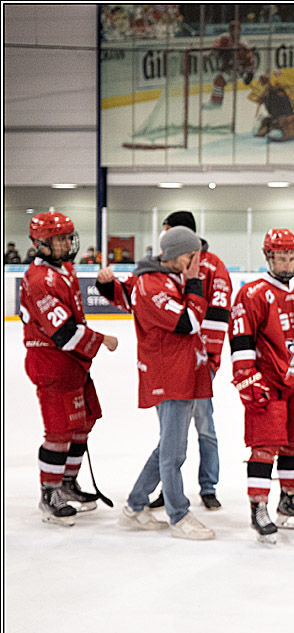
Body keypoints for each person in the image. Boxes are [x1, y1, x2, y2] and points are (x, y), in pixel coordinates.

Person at [97, 210, 232, 511]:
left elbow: (219, 316)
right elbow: (136, 297)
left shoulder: (210, 266)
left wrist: (209, 359)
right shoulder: (164, 265)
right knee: (173, 441)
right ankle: (165, 500)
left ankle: (207, 486)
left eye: (168, 229)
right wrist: (108, 287)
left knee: (204, 429)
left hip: (199, 363)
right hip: (175, 366)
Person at [229, 228, 294, 544]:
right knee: (265, 444)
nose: (287, 263)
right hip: (268, 382)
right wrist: (246, 377)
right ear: (268, 257)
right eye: (281, 256)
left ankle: (288, 501)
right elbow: (241, 339)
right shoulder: (252, 294)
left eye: (291, 256)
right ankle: (258, 507)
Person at [19, 212, 118, 525]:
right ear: (40, 244)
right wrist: (102, 339)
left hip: (73, 362)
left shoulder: (66, 269)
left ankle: (67, 483)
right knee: (59, 430)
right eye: (57, 238)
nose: (65, 243)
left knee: (83, 423)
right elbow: (63, 333)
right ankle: (50, 492)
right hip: (51, 362)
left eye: (66, 237)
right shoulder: (39, 281)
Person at [118, 227, 215, 540]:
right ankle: (178, 514)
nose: (195, 263)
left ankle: (135, 505)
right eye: (191, 256)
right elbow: (189, 322)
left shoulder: (169, 279)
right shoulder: (152, 284)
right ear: (174, 255)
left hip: (182, 373)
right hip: (169, 377)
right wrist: (196, 282)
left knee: (167, 447)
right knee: (174, 453)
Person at [246, 59, 294, 142]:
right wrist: (264, 85)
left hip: (281, 108)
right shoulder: (289, 73)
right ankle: (280, 125)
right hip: (274, 101)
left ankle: (271, 123)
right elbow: (270, 79)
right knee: (281, 94)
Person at [205, 20, 254, 110]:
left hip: (238, 69)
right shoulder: (224, 38)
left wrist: (249, 72)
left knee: (219, 80)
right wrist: (218, 51)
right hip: (227, 68)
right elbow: (215, 49)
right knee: (218, 81)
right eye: (233, 29)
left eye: (237, 29)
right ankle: (216, 103)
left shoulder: (244, 42)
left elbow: (249, 58)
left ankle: (216, 103)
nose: (235, 32)